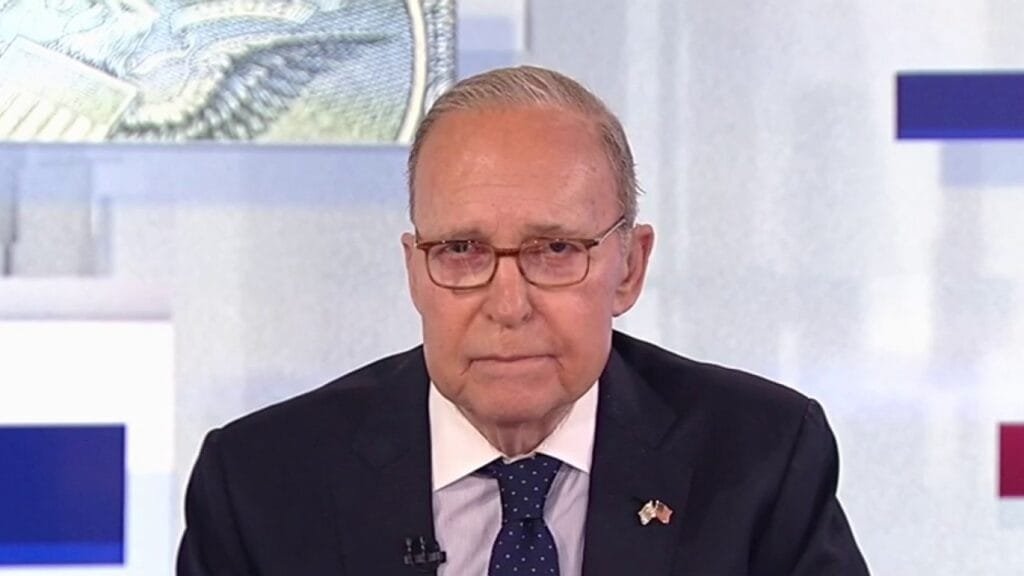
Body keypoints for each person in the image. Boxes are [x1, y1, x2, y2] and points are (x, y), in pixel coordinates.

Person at [177, 65, 870, 576]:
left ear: (629, 267)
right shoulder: (261, 486)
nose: (508, 305)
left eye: (556, 250)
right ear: (415, 270)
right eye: (461, 250)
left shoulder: (759, 459)